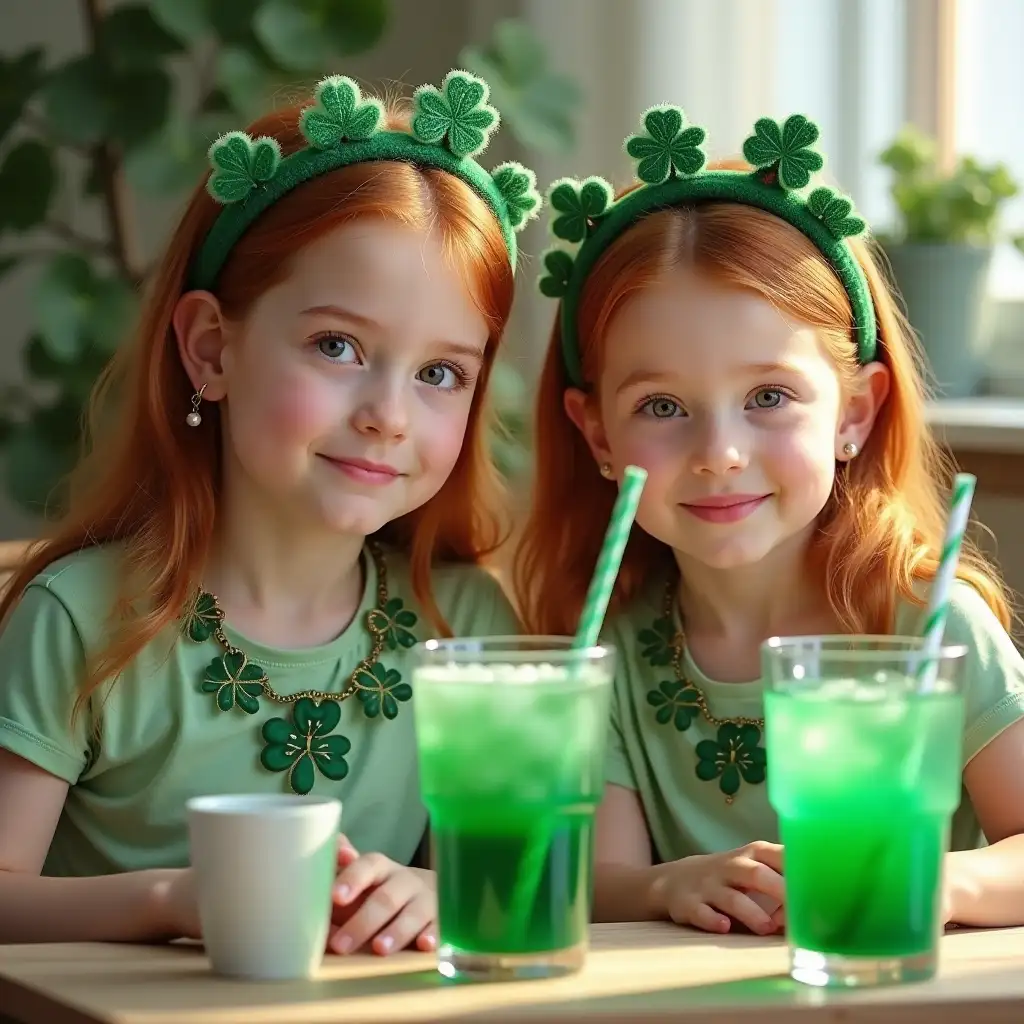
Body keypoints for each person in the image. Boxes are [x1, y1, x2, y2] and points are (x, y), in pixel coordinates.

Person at [0, 70, 540, 954]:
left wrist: (437, 890)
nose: (389, 415)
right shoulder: (80, 619)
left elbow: (501, 878)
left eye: (440, 373)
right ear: (212, 348)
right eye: (338, 346)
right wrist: (174, 900)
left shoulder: (466, 627)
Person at [515, 106, 1024, 935]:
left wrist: (942, 881)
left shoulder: (926, 625)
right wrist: (665, 885)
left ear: (855, 412)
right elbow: (591, 877)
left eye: (769, 397)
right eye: (663, 405)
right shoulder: (603, 648)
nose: (719, 451)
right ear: (598, 434)